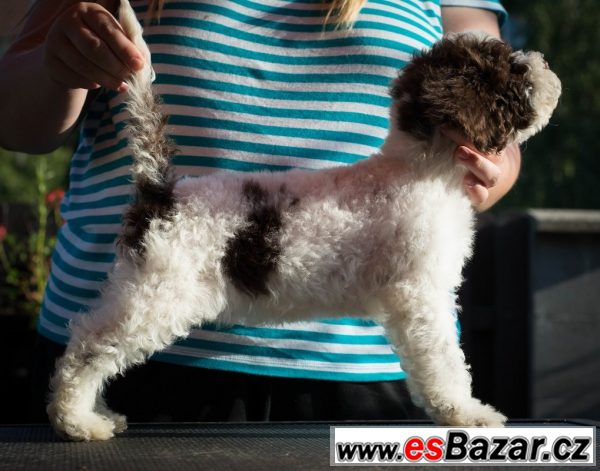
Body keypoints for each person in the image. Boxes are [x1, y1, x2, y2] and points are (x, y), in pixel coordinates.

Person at [0, 0, 519, 423]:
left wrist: (487, 161)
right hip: (161, 364)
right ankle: (78, 384)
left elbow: (503, 126)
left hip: (363, 376)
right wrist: (57, 59)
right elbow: (15, 115)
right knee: (141, 318)